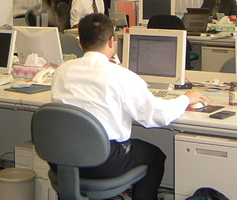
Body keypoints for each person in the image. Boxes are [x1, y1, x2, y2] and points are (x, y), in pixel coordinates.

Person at [51, 13, 206, 200]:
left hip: (60, 159)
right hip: (102, 163)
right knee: (155, 156)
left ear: (80, 43)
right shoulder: (122, 76)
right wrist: (185, 99)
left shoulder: (62, 71)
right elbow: (157, 116)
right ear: (112, 41)